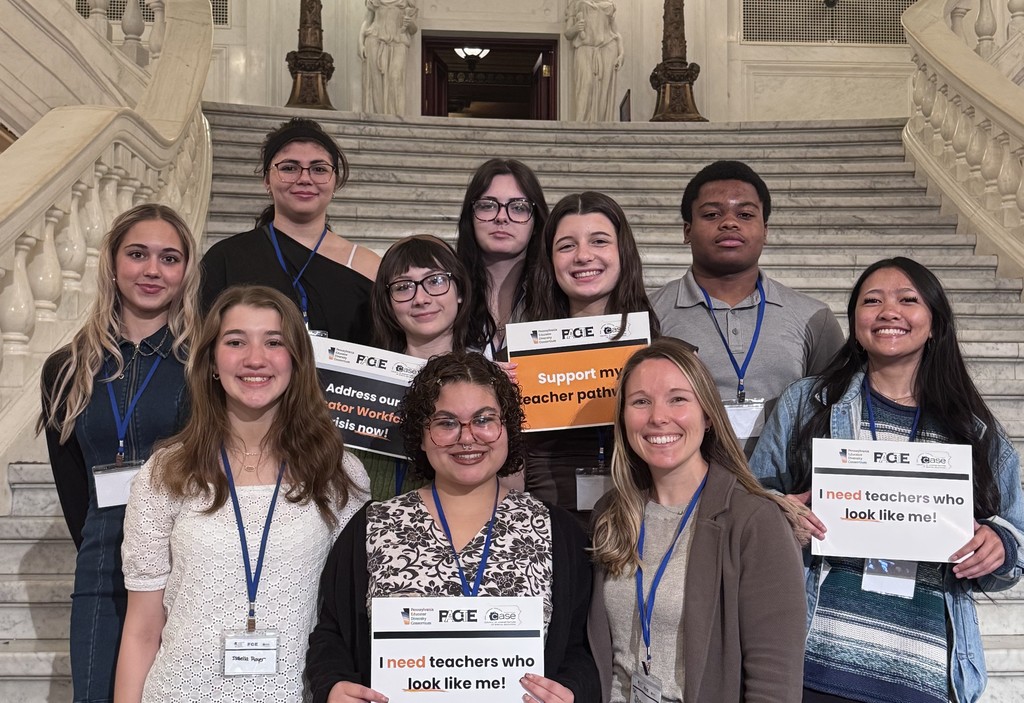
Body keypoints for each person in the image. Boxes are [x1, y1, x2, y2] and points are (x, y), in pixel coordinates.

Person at [750, 257, 1024, 703]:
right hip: (814, 661)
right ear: (855, 320)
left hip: (925, 671)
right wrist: (783, 513)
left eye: (908, 300)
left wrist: (1000, 545)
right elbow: (752, 500)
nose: (888, 311)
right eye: (871, 300)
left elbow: (1015, 545)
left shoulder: (972, 430)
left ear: (935, 323)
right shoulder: (808, 403)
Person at [114, 285, 369, 702]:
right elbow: (142, 629)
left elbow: (346, 619)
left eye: (274, 342)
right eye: (236, 342)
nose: (255, 359)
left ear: (297, 361)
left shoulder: (338, 474)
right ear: (213, 361)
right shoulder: (166, 473)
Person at [306, 351, 600, 703]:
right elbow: (332, 633)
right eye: (446, 423)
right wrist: (334, 687)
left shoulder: (557, 530)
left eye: (484, 420)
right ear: (421, 433)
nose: (467, 437)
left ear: (507, 428)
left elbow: (584, 648)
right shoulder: (374, 525)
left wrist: (572, 692)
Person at [37, 203, 200, 703]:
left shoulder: (204, 364)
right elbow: (72, 490)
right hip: (103, 564)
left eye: (169, 258)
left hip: (187, 563)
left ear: (186, 272)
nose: (153, 270)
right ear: (112, 263)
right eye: (138, 254)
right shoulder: (66, 368)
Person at [589, 338, 808, 702]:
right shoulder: (610, 514)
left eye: (678, 399)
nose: (658, 416)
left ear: (707, 415)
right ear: (623, 417)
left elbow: (775, 682)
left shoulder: (754, 521)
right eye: (641, 401)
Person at [651, 160, 844, 455]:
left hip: (783, 492)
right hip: (682, 488)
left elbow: (834, 414)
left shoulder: (813, 318)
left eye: (744, 214)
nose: (729, 223)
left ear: (764, 230)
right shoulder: (648, 314)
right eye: (712, 214)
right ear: (687, 230)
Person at [522, 191, 660, 522]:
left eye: (599, 241)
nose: (583, 256)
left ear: (622, 252)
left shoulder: (662, 355)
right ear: (550, 260)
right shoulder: (519, 360)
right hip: (549, 532)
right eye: (566, 246)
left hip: (643, 526)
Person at [200, 117, 379, 342]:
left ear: (335, 180)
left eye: (319, 169)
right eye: (289, 168)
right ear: (266, 179)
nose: (305, 178)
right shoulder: (226, 258)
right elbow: (204, 343)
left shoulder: (369, 267)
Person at [358, 234, 473, 499]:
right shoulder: (362, 381)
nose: (420, 298)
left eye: (435, 281)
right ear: (387, 303)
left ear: (460, 292)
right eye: (403, 287)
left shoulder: (490, 380)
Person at [456, 158, 549, 360]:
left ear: (536, 222)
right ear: (470, 218)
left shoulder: (557, 293)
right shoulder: (446, 293)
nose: (501, 217)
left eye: (518, 207)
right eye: (488, 205)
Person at [564, 1, 624, 122]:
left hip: (608, 48)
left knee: (604, 93)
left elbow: (616, 32)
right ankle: (581, 127)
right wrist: (575, 29)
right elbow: (568, 34)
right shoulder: (576, 3)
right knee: (585, 85)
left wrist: (622, 53)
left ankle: (602, 128)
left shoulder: (609, 4)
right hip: (585, 48)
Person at [359, 0, 419, 115]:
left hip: (399, 40)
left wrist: (410, 23)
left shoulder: (407, 1)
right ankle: (377, 119)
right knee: (375, 82)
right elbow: (367, 20)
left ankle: (395, 119)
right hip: (374, 38)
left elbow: (413, 30)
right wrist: (360, 43)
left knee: (396, 78)